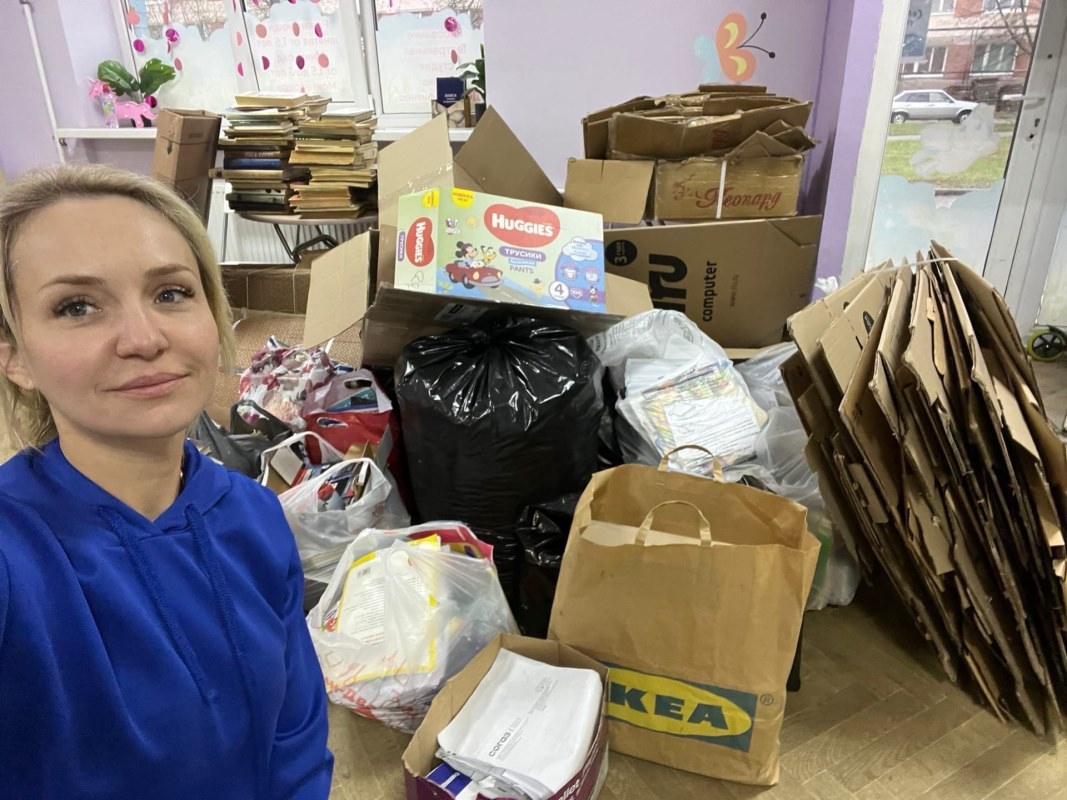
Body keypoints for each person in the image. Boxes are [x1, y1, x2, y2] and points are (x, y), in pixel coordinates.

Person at [0, 164, 333, 799]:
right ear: (14, 355)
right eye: (77, 306)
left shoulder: (256, 513)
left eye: (171, 293)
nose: (145, 339)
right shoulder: (14, 554)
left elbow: (295, 734)